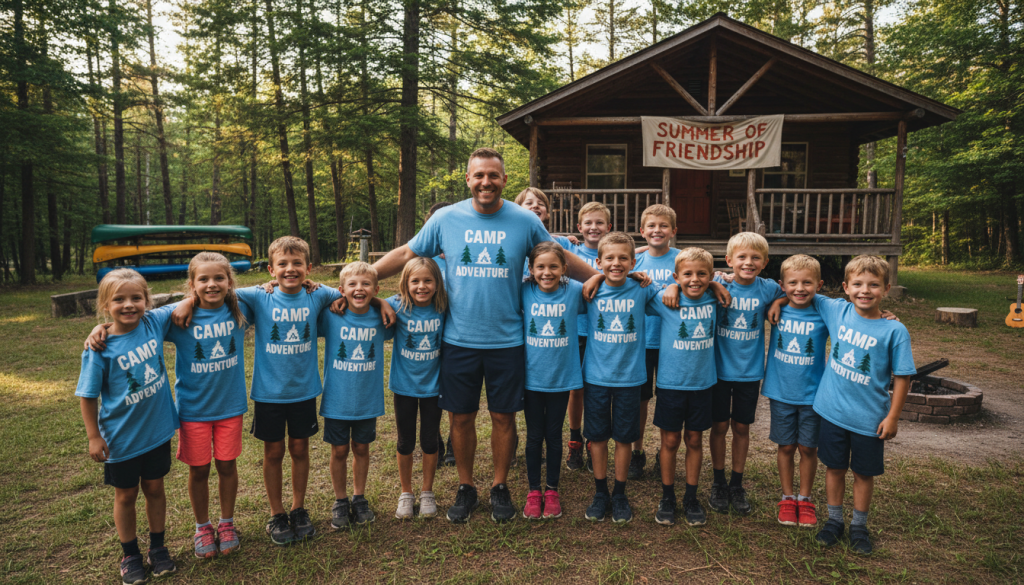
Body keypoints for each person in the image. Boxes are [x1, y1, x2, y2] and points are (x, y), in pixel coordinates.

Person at [371, 147, 599, 523]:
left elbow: (557, 254)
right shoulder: (446, 218)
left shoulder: (524, 220)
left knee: (503, 418)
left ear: (504, 180)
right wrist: (363, 278)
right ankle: (466, 487)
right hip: (458, 340)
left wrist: (599, 277)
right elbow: (407, 251)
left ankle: (498, 485)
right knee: (460, 418)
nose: (486, 182)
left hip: (508, 342)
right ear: (468, 179)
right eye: (479, 175)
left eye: (493, 175)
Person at [173, 236, 341, 545]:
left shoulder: (318, 295)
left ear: (308, 267)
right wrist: (187, 300)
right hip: (268, 395)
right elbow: (218, 291)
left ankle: (298, 508)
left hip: (304, 392)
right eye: (282, 264)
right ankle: (277, 513)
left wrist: (326, 288)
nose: (290, 269)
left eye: (297, 264)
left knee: (300, 450)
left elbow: (347, 291)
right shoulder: (258, 296)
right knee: (274, 452)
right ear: (271, 269)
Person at [87, 253, 252, 559]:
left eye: (219, 278)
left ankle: (227, 524)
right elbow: (132, 319)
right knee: (199, 470)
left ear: (230, 282)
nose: (211, 284)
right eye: (202, 279)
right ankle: (203, 527)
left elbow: (279, 287)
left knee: (228, 466)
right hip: (192, 411)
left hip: (231, 408)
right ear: (192, 284)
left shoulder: (243, 307)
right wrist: (103, 329)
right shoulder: (175, 318)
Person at [772, 255, 915, 555]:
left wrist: (893, 417)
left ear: (886, 289)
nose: (865, 291)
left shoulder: (894, 331)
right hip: (831, 412)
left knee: (864, 473)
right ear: (845, 287)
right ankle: (834, 521)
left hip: (870, 417)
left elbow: (903, 377)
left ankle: (859, 526)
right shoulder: (835, 308)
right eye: (858, 284)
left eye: (874, 285)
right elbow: (798, 293)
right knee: (834, 467)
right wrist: (778, 303)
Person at [76, 269, 179, 584]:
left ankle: (158, 548)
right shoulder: (99, 348)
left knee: (155, 488)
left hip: (157, 432)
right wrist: (94, 436)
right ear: (106, 305)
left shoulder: (153, 322)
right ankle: (130, 554)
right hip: (121, 439)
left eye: (136, 297)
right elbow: (88, 395)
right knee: (125, 495)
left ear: (147, 300)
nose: (129, 305)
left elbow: (194, 298)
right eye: (118, 299)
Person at [582, 232, 662, 523]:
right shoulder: (589, 290)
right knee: (598, 437)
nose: (616, 263)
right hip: (596, 378)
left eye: (623, 258)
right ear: (598, 261)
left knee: (624, 438)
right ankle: (600, 491)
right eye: (610, 258)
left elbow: (671, 294)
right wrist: (594, 278)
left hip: (631, 378)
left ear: (633, 261)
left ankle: (619, 492)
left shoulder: (642, 289)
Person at [707, 232, 785, 516]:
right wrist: (714, 280)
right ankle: (718, 481)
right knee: (719, 427)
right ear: (729, 260)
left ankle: (736, 483)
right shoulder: (716, 285)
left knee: (741, 427)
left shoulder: (767, 289)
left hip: (749, 373)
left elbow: (796, 294)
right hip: (716, 371)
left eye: (755, 258)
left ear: (764, 263)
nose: (748, 262)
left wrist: (779, 303)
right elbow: (690, 281)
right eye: (741, 257)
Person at [319, 262, 395, 528]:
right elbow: (310, 294)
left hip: (367, 400)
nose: (359, 289)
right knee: (339, 450)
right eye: (352, 284)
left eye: (365, 284)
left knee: (361, 448)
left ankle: (359, 497)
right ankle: (340, 500)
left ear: (376, 289)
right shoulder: (330, 315)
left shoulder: (383, 317)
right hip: (336, 400)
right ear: (341, 290)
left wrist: (382, 303)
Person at [645, 248, 718, 527]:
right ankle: (667, 496)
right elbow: (633, 285)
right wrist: (672, 287)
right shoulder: (665, 299)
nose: (695, 280)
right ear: (676, 276)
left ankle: (691, 496)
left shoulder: (715, 297)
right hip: (670, 385)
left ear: (711, 277)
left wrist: (717, 285)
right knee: (670, 441)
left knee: (695, 441)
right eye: (687, 274)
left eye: (702, 274)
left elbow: (738, 282)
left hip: (702, 385)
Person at [761, 255, 829, 529]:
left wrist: (884, 315)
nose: (800, 288)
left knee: (808, 447)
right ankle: (787, 496)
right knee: (786, 445)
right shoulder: (773, 307)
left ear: (819, 285)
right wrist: (778, 301)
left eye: (807, 283)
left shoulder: (825, 312)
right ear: (782, 285)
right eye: (793, 283)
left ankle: (805, 498)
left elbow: (856, 313)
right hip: (781, 391)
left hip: (813, 394)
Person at [520, 242, 587, 519]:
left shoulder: (574, 290)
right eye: (540, 267)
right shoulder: (523, 290)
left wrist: (635, 274)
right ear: (531, 269)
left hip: (561, 377)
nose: (546, 272)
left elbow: (607, 282)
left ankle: (552, 489)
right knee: (534, 436)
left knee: (554, 435)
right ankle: (534, 491)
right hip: (531, 378)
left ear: (564, 269)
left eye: (553, 267)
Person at [386, 258, 448, 519]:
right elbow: (367, 299)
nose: (421, 286)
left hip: (434, 387)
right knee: (405, 440)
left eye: (428, 281)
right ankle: (406, 492)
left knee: (430, 440)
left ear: (437, 283)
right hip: (404, 387)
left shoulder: (444, 307)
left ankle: (427, 491)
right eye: (415, 281)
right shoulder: (396, 305)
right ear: (405, 283)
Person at [629, 204, 680, 480]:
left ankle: (665, 453)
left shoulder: (683, 259)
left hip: (673, 344)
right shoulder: (634, 262)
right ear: (642, 231)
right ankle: (638, 451)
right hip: (642, 341)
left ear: (673, 231)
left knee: (667, 401)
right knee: (641, 400)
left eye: (663, 226)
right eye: (651, 226)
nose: (657, 230)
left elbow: (708, 273)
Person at [565, 201, 611, 472]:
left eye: (600, 223)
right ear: (579, 227)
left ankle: (596, 438)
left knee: (598, 388)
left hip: (604, 333)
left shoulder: (616, 254)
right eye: (589, 223)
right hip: (576, 329)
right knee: (576, 389)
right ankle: (574, 440)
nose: (594, 227)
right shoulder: (570, 250)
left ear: (609, 227)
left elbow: (635, 251)